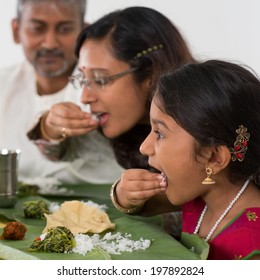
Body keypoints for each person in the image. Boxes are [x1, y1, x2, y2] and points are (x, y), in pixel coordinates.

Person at [34, 6, 195, 235]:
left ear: (150, 74)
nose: (85, 97)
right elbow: (58, 150)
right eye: (83, 78)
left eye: (100, 79)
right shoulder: (111, 121)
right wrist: (49, 126)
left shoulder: (205, 119)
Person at [112, 59, 260, 260]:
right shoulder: (202, 191)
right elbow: (144, 204)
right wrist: (125, 193)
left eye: (160, 133)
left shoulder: (253, 243)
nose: (144, 147)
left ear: (214, 158)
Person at [0, 0, 123, 185]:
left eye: (64, 29)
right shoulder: (4, 83)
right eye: (37, 28)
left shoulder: (114, 85)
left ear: (84, 33)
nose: (50, 43)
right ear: (16, 30)